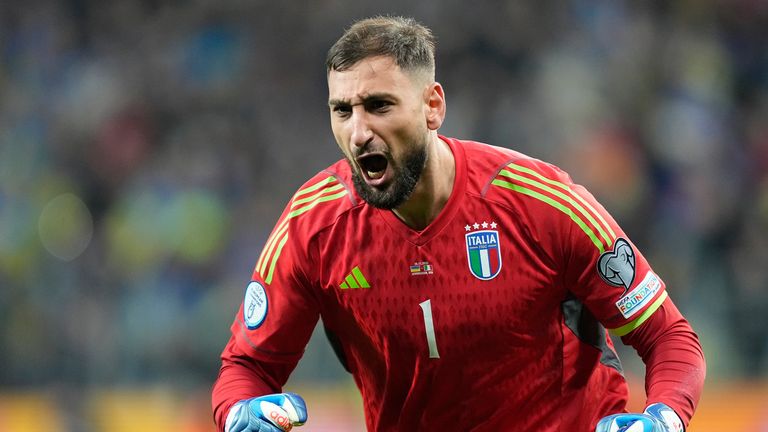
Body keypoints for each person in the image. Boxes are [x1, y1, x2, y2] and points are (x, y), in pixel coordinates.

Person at [211, 16, 706, 432]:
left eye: (379, 106)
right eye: (342, 111)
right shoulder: (313, 226)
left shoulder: (542, 204)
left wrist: (663, 418)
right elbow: (246, 368)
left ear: (433, 106)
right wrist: (241, 411)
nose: (359, 132)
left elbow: (668, 338)